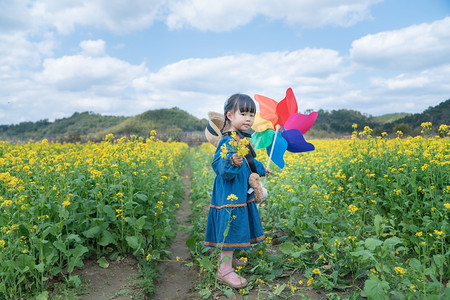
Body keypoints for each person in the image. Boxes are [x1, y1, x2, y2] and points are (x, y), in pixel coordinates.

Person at [204, 93, 270, 288]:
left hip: (240, 190)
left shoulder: (242, 139)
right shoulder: (226, 141)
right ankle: (224, 271)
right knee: (231, 226)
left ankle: (229, 261)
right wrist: (231, 162)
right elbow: (218, 166)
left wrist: (260, 169)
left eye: (252, 114)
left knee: (237, 223)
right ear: (230, 116)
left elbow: (250, 162)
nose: (249, 118)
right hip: (229, 193)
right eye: (244, 113)